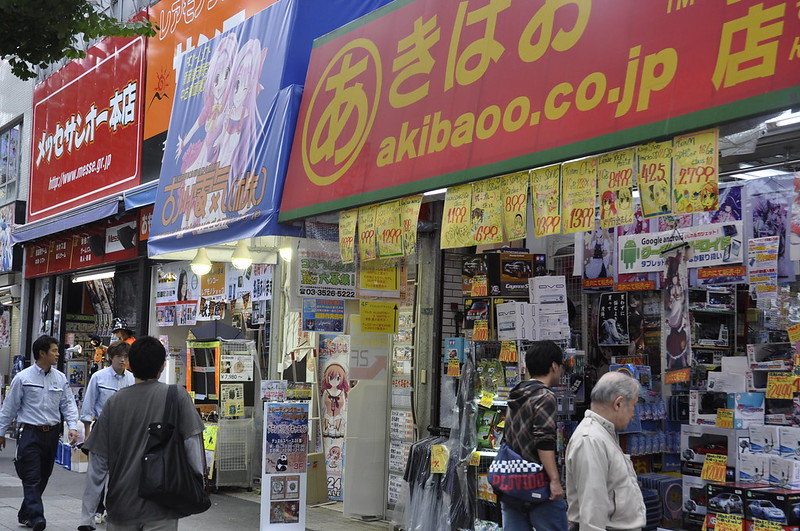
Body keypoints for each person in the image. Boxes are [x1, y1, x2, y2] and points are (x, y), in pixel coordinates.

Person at [79, 336, 205, 531]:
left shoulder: (114, 402)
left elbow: (98, 463)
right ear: (162, 366)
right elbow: (193, 446)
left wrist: (87, 517)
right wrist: (197, 485)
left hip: (121, 506)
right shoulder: (177, 396)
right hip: (163, 506)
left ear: (130, 364)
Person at [0, 335, 79, 531]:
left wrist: (73, 427)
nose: (57, 354)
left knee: (44, 475)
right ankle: (37, 517)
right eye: (54, 350)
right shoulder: (23, 378)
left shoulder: (60, 378)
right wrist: (1, 432)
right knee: (32, 475)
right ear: (42, 353)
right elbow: (9, 408)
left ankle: (25, 513)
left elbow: (68, 404)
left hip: (51, 434)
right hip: (30, 433)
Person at [565, 372, 646, 531]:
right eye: (633, 406)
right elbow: (592, 510)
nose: (633, 414)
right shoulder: (590, 439)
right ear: (619, 404)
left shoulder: (603, 434)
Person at [501, 340, 566, 531]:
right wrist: (554, 480)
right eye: (560, 366)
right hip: (537, 483)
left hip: (512, 482)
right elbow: (544, 441)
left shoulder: (517, 392)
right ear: (554, 366)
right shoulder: (544, 396)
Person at [80, 342, 134, 526]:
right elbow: (87, 407)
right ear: (111, 357)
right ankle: (87, 520)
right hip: (101, 430)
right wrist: (87, 435)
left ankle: (114, 514)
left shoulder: (132, 379)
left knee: (119, 477)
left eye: (125, 356)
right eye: (119, 356)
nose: (122, 360)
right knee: (95, 478)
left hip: (125, 433)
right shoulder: (99, 377)